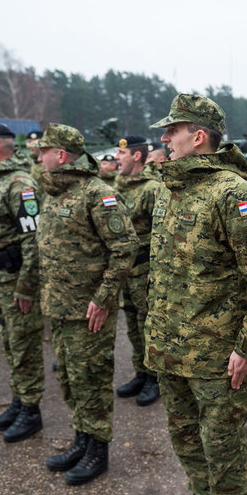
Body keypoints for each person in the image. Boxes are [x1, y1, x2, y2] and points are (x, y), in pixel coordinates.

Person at [146, 94, 247, 495]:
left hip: (216, 353)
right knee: (186, 438)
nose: (165, 138)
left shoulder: (235, 193)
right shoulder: (171, 187)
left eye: (173, 130)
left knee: (221, 444)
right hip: (171, 345)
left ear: (198, 136)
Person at [32, 123, 137, 485]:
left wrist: (104, 297)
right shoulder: (54, 193)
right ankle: (82, 440)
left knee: (91, 381)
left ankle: (98, 451)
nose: (38, 156)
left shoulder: (97, 194)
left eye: (43, 151)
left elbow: (125, 249)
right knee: (69, 379)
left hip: (89, 310)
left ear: (60, 155)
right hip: (59, 307)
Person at [0, 123, 45, 443]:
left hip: (15, 281)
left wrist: (27, 286)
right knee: (10, 345)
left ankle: (31, 410)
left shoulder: (20, 184)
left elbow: (33, 241)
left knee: (24, 346)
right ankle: (18, 401)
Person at [113, 135, 162, 406]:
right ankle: (141, 372)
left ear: (137, 156)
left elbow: (162, 233)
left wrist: (155, 270)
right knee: (132, 324)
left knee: (148, 326)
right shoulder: (119, 186)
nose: (117, 157)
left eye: (122, 153)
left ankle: (154, 378)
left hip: (144, 270)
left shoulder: (151, 188)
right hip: (126, 270)